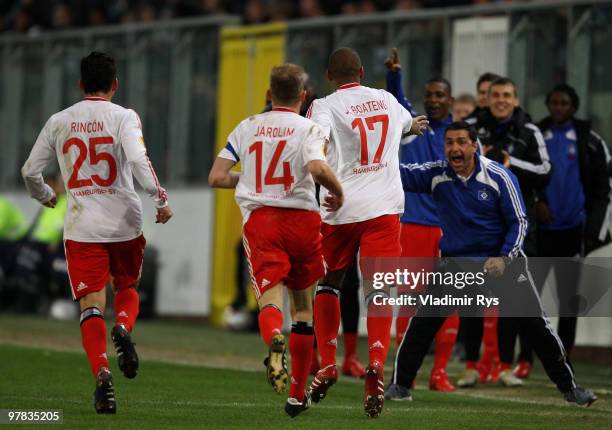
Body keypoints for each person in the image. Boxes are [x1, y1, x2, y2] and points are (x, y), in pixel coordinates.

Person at [385, 120, 597, 407]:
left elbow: (520, 221)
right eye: (449, 142)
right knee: (422, 323)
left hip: (501, 263)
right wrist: (375, 150)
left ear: (474, 145)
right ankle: (399, 386)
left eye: (462, 142)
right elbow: (396, 174)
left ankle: (571, 388)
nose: (455, 148)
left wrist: (505, 257)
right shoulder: (436, 174)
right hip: (457, 265)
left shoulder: (499, 176)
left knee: (537, 327)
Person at [21, 51, 173, 414]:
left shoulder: (60, 120)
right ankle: (123, 325)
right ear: (115, 84)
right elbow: (138, 161)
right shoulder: (124, 116)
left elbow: (30, 170)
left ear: (80, 84)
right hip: (124, 221)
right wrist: (160, 197)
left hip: (82, 225)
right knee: (127, 288)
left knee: (91, 304)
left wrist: (45, 195)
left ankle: (103, 372)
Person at [208, 63, 344, 418]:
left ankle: (273, 341)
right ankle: (297, 394)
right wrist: (338, 191)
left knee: (270, 301)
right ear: (303, 96)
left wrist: (251, 180)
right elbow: (316, 169)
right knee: (303, 310)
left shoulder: (247, 126)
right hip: (302, 220)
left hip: (263, 220)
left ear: (269, 95)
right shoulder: (310, 127)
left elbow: (217, 177)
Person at [305, 47, 428, 418]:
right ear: (361, 71)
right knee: (379, 287)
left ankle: (328, 361)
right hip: (385, 208)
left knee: (329, 284)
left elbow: (315, 148)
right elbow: (410, 124)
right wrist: (415, 126)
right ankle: (376, 358)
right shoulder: (387, 100)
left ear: (329, 76)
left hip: (340, 209)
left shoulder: (323, 106)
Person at [514, 84, 611, 378]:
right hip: (540, 232)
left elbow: (602, 189)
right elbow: (523, 178)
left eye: (564, 103)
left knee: (569, 302)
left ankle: (563, 357)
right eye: (553, 102)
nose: (558, 107)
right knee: (529, 299)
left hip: (572, 231)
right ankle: (525, 359)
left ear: (573, 106)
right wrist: (537, 203)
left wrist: (592, 232)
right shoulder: (534, 134)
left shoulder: (590, 140)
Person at [463, 76, 551, 387]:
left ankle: (504, 365)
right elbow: (453, 160)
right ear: (488, 97)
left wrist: (510, 163)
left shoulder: (530, 131)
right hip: (477, 225)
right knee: (471, 297)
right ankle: (471, 364)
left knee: (512, 299)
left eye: (507, 95)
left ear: (515, 99)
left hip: (514, 227)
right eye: (496, 94)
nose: (501, 99)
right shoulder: (471, 126)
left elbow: (544, 171)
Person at [384, 47, 459, 393]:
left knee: (451, 303)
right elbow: (398, 101)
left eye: (439, 95)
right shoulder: (414, 125)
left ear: (450, 99)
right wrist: (395, 75)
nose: (433, 100)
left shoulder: (460, 137)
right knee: (411, 301)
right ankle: (405, 374)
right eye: (428, 95)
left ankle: (439, 373)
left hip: (449, 230)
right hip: (413, 225)